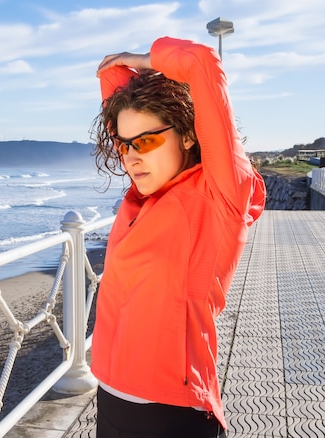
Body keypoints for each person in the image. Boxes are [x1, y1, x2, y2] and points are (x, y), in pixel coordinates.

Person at [89, 36, 266, 437]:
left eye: (148, 141)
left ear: (187, 135)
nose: (132, 157)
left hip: (169, 412)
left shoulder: (218, 195)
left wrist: (143, 60)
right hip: (110, 396)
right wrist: (131, 76)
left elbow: (202, 62)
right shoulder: (141, 196)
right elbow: (110, 73)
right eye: (124, 143)